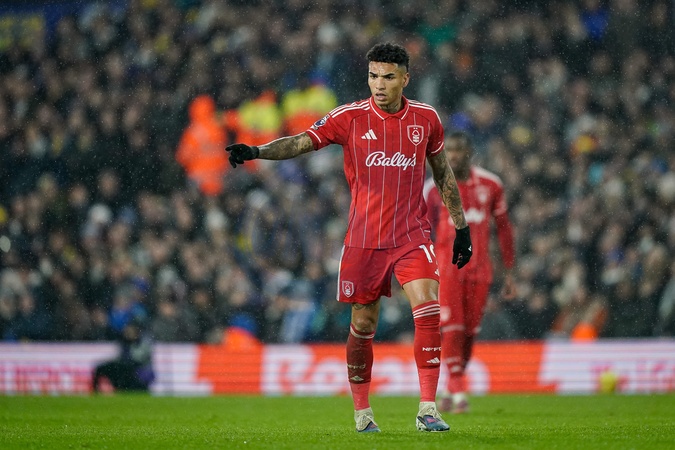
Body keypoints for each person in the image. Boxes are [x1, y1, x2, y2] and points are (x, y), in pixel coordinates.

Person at [226, 42, 472, 433]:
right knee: (363, 325)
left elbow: (442, 173)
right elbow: (301, 142)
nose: (379, 84)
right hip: (364, 240)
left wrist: (461, 227)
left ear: (405, 79)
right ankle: (362, 412)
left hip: (411, 235)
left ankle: (428, 409)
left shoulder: (425, 118)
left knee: (428, 311)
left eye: (388, 77)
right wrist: (257, 151)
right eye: (373, 76)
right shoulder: (349, 117)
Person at [424, 131, 516, 414]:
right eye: (448, 150)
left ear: (469, 153)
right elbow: (422, 230)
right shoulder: (433, 187)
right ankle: (459, 390)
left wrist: (509, 271)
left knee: (470, 332)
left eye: (457, 150)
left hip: (480, 269)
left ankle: (450, 386)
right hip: (447, 267)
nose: (452, 155)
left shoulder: (491, 184)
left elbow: (503, 229)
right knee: (452, 328)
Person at [92, 318, 155, 393]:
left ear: (136, 333)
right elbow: (120, 358)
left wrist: (125, 361)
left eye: (130, 332)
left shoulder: (143, 344)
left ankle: (121, 388)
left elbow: (138, 359)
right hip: (125, 367)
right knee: (103, 369)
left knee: (121, 370)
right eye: (127, 331)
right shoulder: (124, 343)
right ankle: (96, 390)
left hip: (137, 368)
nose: (128, 334)